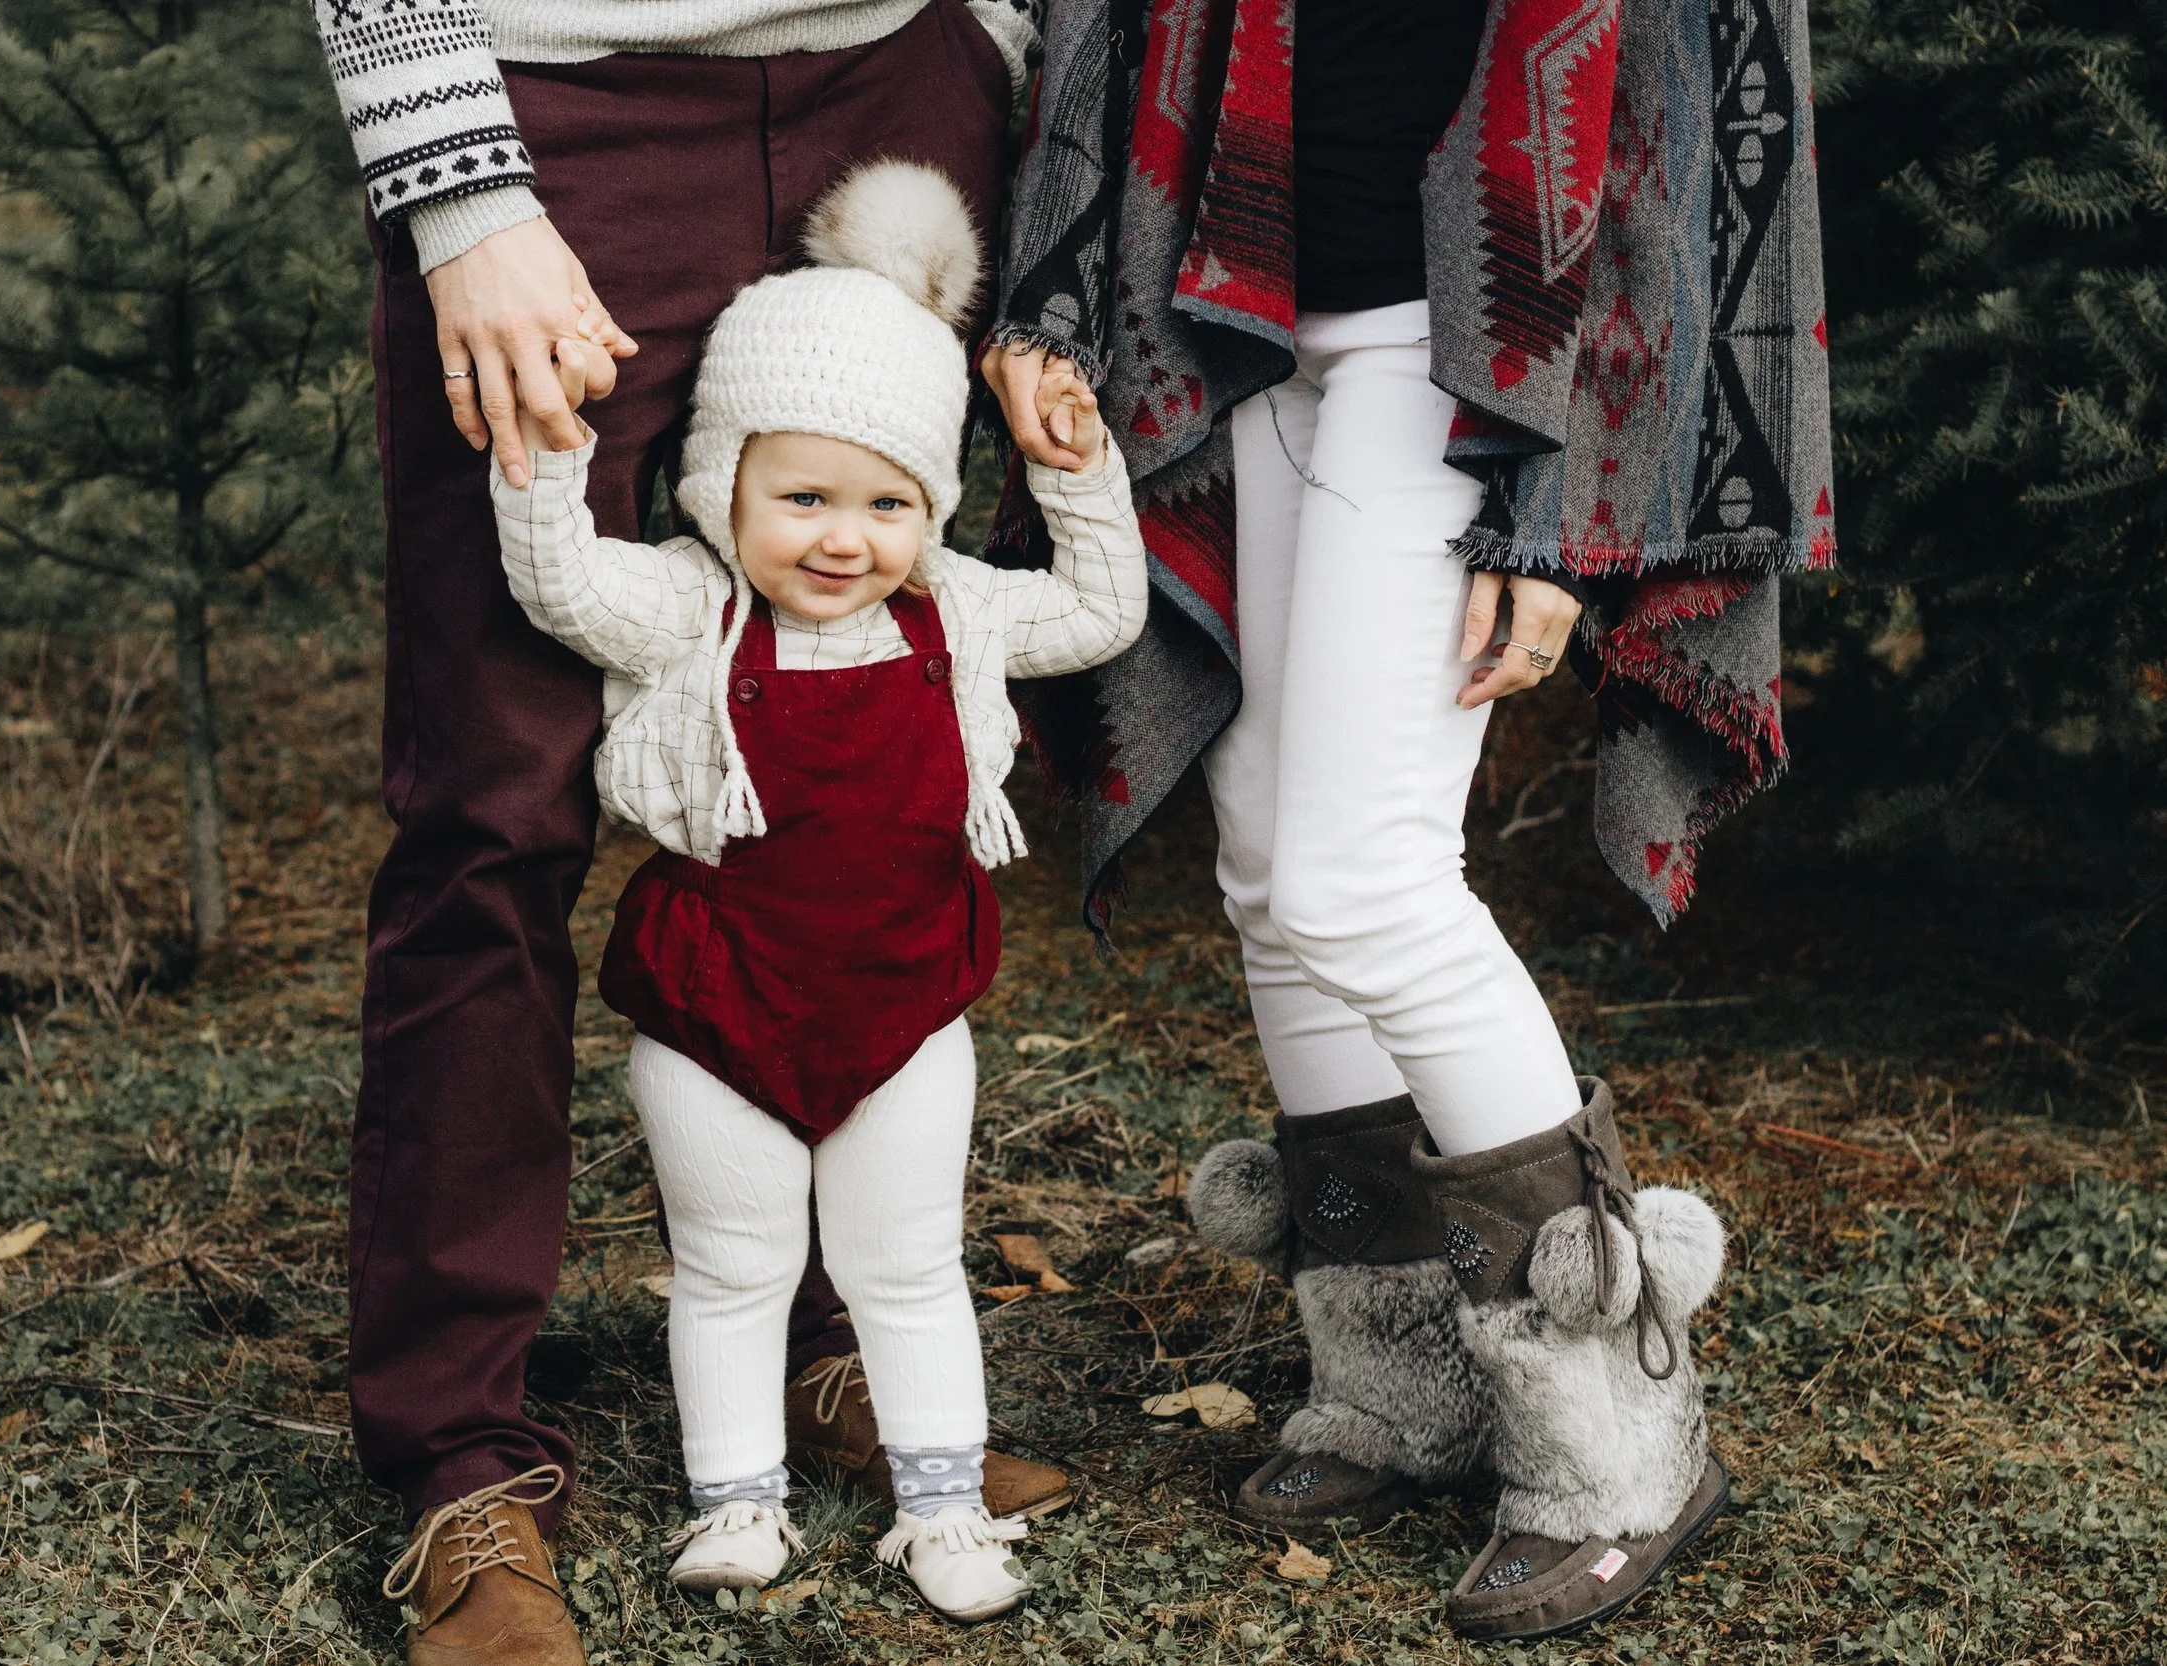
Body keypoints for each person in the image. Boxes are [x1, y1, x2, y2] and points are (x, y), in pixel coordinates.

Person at [988, 0, 1831, 1641]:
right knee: (1262, 866)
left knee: (1359, 872)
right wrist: (1056, 283)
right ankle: (1397, 1371)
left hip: (1463, 342)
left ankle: (1618, 1438)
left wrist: (1556, 491)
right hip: (1226, 295)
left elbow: (1672, 119)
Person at [303, 3, 1071, 1661]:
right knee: (496, 803)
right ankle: (460, 1453)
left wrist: (1004, 47)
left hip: (901, 83)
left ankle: (827, 1340)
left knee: (845, 746)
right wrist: (462, 194)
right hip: (559, 113)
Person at [490, 163, 1144, 1621]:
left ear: (932, 506)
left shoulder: (955, 612)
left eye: (887, 501)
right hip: (718, 1001)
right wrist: (544, 442)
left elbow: (1103, 611)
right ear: (723, 486)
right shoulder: (684, 604)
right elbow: (555, 581)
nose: (843, 536)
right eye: (801, 495)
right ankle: (739, 1499)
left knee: (906, 1262)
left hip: (908, 1004)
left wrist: (1075, 468)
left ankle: (941, 1504)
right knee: (731, 1263)